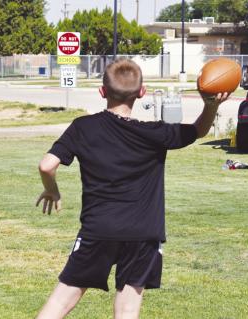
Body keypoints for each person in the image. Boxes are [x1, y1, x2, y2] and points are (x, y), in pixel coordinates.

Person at [35, 59, 229, 318]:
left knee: (60, 303)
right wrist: (210, 105)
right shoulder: (155, 134)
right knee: (128, 309)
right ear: (142, 92)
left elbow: (47, 165)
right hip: (144, 233)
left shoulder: (83, 127)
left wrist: (52, 190)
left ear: (102, 91)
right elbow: (199, 130)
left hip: (99, 230)